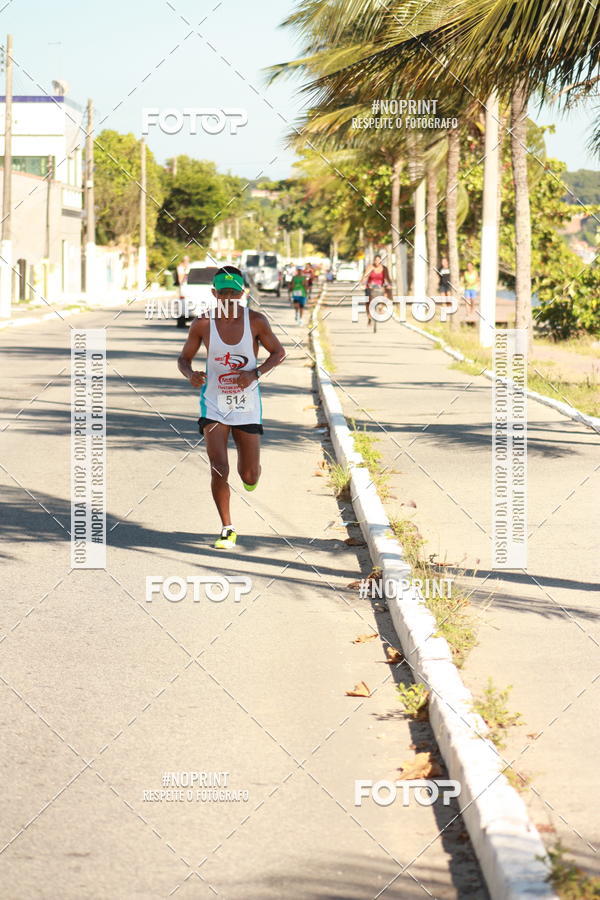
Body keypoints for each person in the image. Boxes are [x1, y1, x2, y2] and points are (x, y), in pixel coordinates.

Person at [177, 265, 286, 549]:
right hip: (213, 405)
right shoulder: (202, 324)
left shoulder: (257, 321)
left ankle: (251, 475)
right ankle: (227, 527)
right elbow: (184, 359)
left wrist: (256, 373)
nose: (227, 298)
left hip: (247, 405)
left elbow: (279, 352)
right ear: (214, 294)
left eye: (233, 293)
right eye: (222, 293)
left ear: (241, 293)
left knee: (248, 474)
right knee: (218, 467)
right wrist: (191, 375)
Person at [361, 254, 391, 327]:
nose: (377, 262)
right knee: (367, 301)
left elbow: (387, 278)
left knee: (386, 293)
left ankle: (382, 306)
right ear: (374, 261)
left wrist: (389, 284)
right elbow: (365, 276)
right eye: (376, 260)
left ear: (381, 260)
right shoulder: (370, 267)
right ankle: (369, 317)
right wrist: (363, 283)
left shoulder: (384, 268)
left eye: (379, 260)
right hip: (370, 286)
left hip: (380, 286)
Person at [176, 255, 191, 328]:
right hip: (185, 288)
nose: (186, 262)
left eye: (187, 260)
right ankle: (181, 323)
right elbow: (180, 280)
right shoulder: (181, 267)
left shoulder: (190, 267)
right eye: (185, 260)